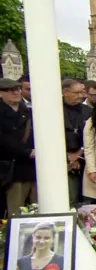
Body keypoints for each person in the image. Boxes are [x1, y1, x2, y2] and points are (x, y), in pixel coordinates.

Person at [0, 78, 36, 217]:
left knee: (37, 208)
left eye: (17, 89)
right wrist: (27, 152)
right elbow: (3, 141)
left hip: (33, 167)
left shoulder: (28, 111)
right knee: (15, 211)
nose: (15, 92)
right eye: (10, 90)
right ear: (1, 94)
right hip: (12, 168)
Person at [62, 79, 93, 207]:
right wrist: (68, 156)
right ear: (65, 92)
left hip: (85, 158)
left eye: (82, 92)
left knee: (87, 201)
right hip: (64, 161)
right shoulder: (54, 110)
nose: (81, 96)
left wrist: (78, 153)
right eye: (77, 93)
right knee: (70, 199)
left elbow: (92, 137)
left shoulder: (88, 111)